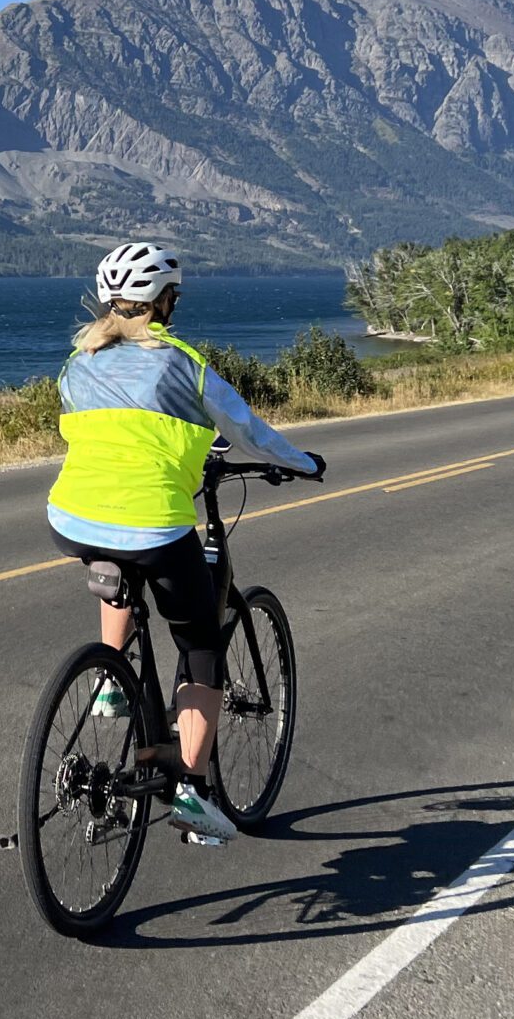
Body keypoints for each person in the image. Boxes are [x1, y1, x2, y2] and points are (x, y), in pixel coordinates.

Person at [46, 241, 324, 847]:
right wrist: (302, 462)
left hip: (70, 517)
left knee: (116, 557)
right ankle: (191, 792)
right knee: (200, 646)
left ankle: (111, 683)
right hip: (152, 522)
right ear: (165, 302)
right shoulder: (183, 365)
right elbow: (248, 431)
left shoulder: (77, 362)